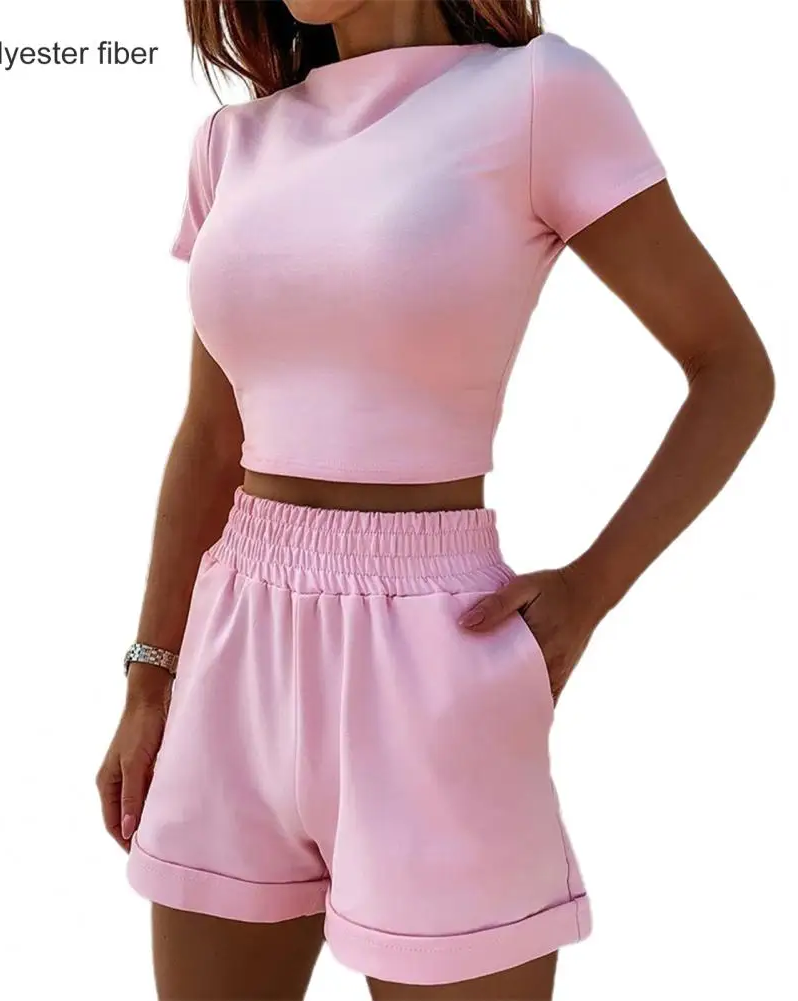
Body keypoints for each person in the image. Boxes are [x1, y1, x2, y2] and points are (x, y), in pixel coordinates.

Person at [96, 2, 774, 998]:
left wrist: (589, 590)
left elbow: (730, 368)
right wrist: (150, 674)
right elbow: (211, 435)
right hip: (232, 650)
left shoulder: (539, 96)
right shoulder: (232, 145)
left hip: (430, 649)